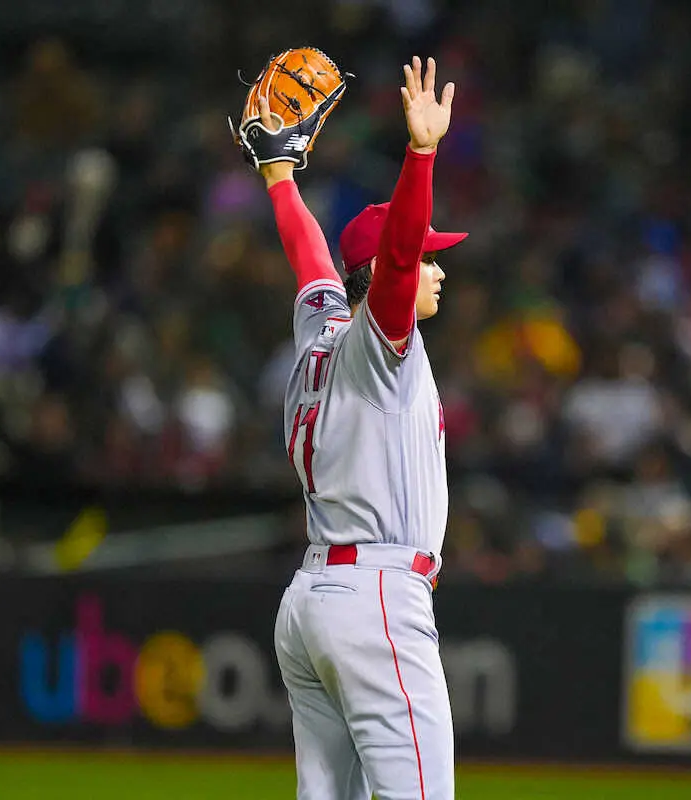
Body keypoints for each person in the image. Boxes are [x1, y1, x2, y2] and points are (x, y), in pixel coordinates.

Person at [254, 56, 463, 800]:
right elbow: (397, 258)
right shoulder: (378, 346)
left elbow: (308, 255)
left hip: (311, 600)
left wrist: (279, 176)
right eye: (432, 259)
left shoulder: (321, 333)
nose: (438, 270)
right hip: (375, 597)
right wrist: (421, 154)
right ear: (380, 278)